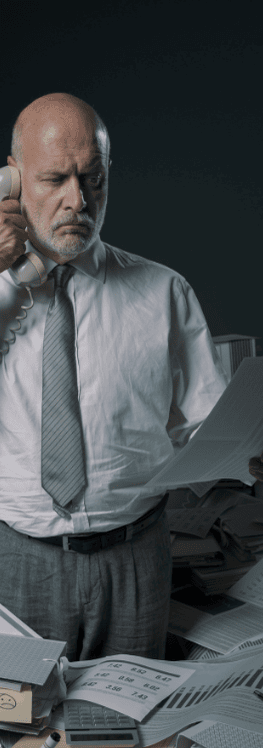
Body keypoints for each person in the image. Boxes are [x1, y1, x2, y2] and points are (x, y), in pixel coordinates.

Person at [0, 92, 260, 663]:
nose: (77, 200)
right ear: (13, 181)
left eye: (92, 179)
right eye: (54, 179)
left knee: (127, 733)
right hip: (18, 558)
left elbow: (210, 425)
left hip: (136, 555)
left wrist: (247, 453)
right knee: (18, 735)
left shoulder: (164, 291)